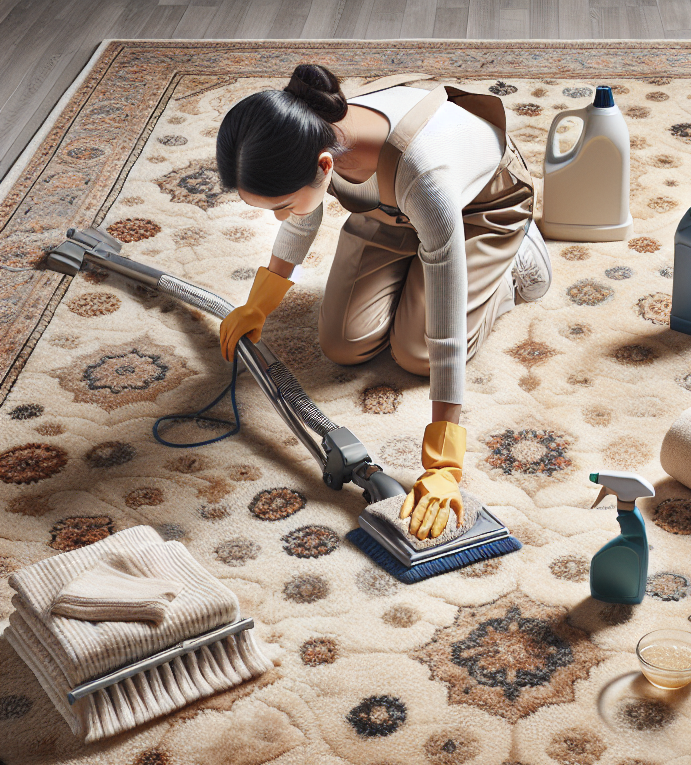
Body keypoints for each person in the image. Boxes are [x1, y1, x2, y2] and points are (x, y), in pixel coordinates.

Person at [215, 64, 551, 540]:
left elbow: (448, 323)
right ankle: (415, 263)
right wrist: (260, 302)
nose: (280, 218)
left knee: (419, 355)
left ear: (325, 166)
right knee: (343, 344)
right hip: (387, 210)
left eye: (279, 205)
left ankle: (515, 263)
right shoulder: (313, 139)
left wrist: (444, 462)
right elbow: (302, 215)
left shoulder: (426, 173)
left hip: (477, 211)